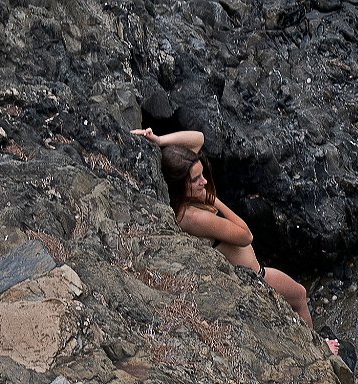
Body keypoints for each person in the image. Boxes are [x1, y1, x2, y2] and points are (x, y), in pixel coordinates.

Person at [132, 128, 339, 355]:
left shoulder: (186, 189)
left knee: (296, 299)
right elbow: (245, 235)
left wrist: (159, 140)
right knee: (299, 296)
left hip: (255, 273)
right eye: (196, 179)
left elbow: (199, 138)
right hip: (257, 279)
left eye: (202, 174)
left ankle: (313, 346)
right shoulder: (193, 216)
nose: (203, 181)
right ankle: (321, 352)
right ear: (179, 183)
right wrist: (214, 200)